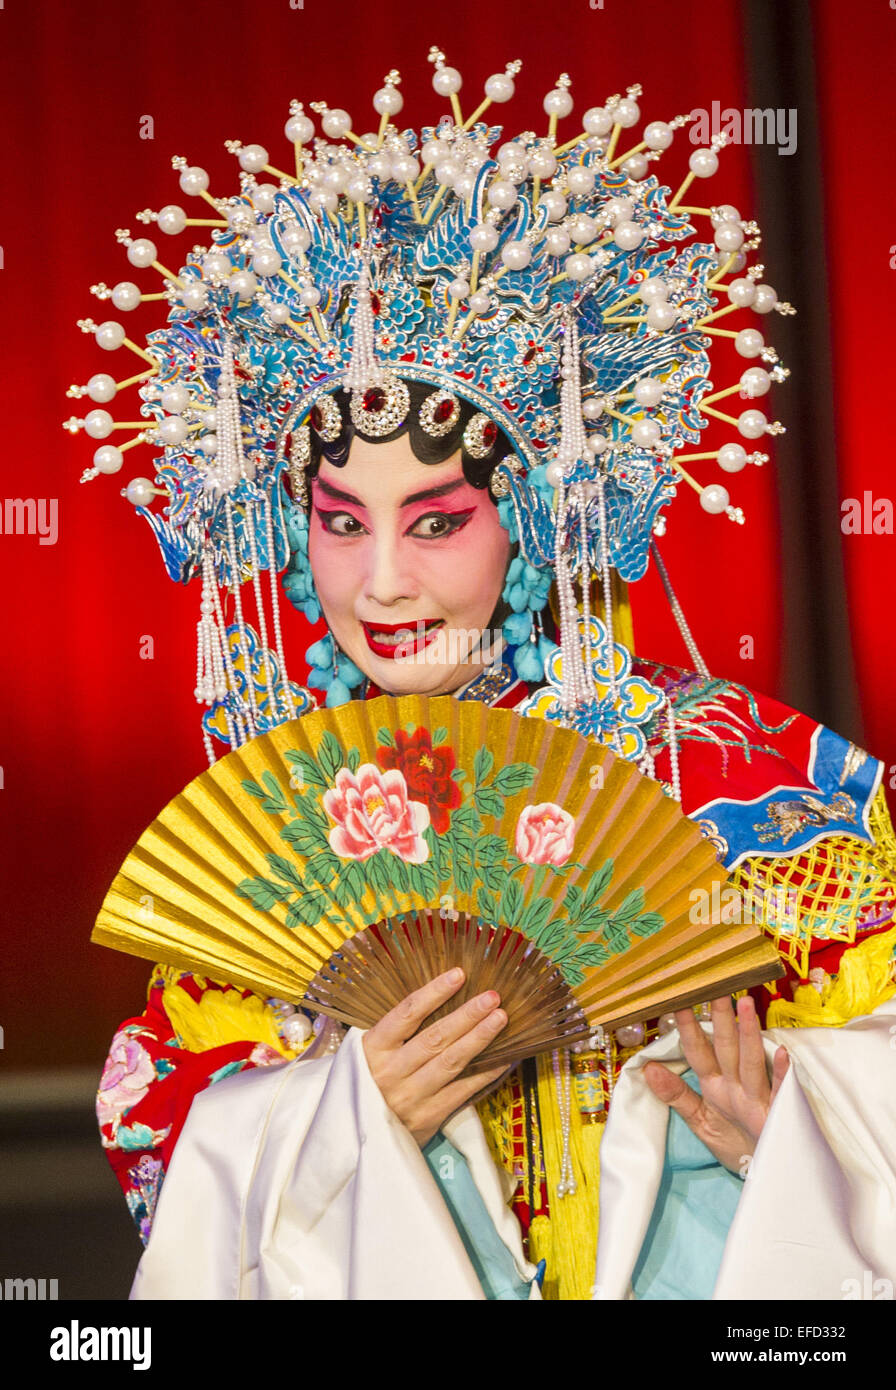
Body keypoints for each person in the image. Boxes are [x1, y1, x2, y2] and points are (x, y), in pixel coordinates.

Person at [79, 58, 896, 1299]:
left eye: (439, 519)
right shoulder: (280, 829)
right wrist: (343, 1117)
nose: (383, 583)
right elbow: (164, 1138)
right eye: (341, 522)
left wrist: (788, 1124)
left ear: (541, 519)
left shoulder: (739, 780)